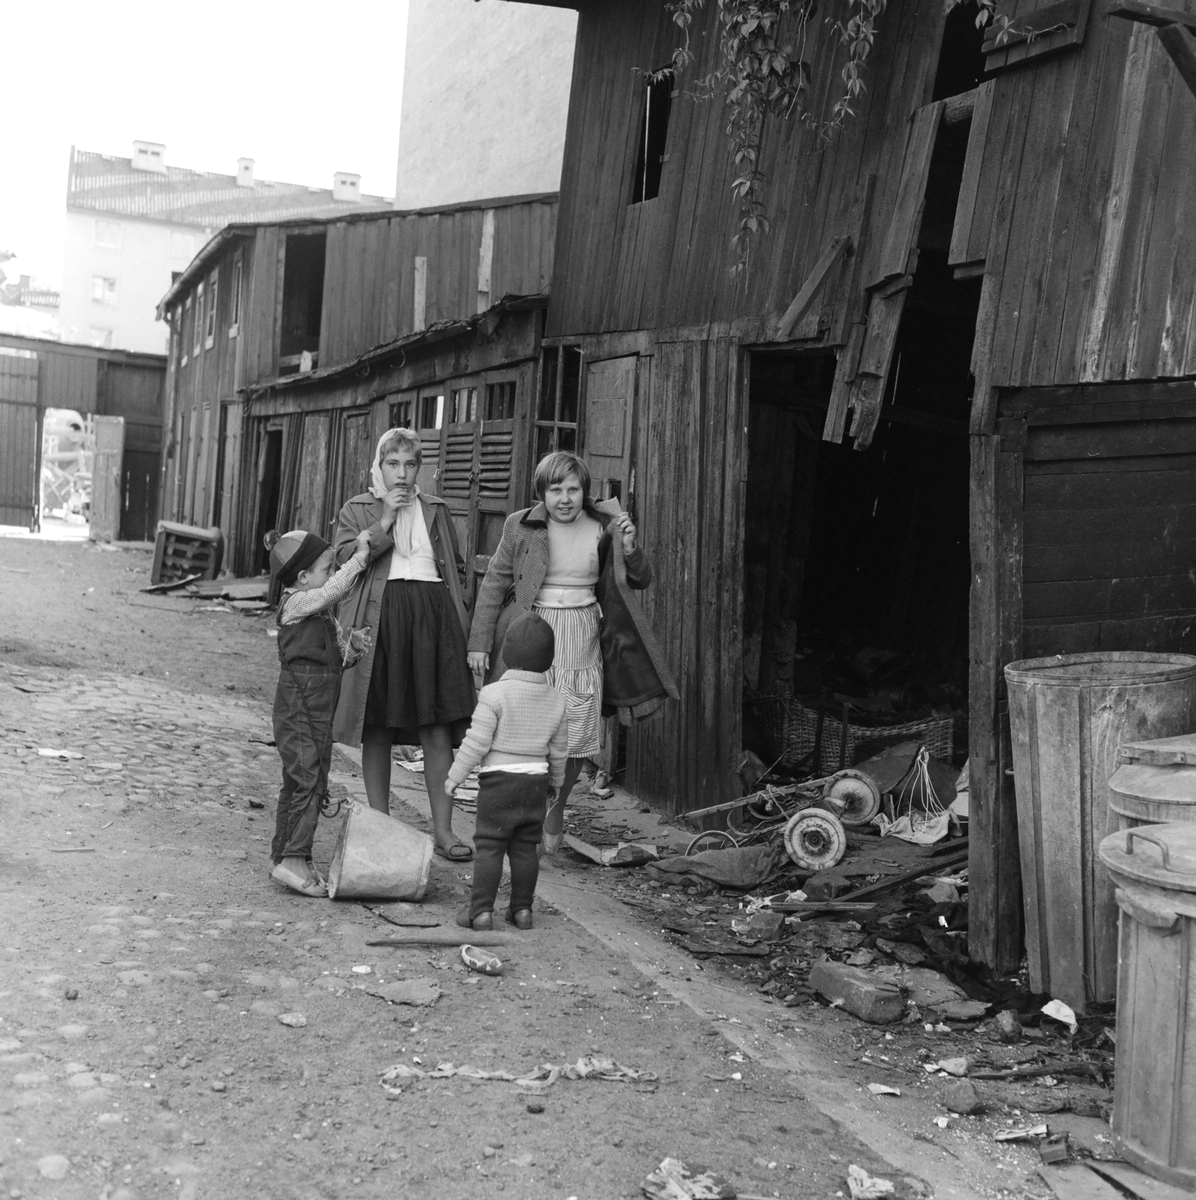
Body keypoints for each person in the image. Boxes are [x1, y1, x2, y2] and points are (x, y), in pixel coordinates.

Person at [468, 450, 675, 854]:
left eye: (573, 489)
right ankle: (517, 804)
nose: (565, 498)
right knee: (522, 720)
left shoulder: (605, 526)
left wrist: (630, 547)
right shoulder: (521, 526)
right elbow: (494, 583)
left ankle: (556, 805)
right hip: (532, 630)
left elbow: (642, 579)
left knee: (576, 728)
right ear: (541, 493)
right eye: (555, 489)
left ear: (585, 492)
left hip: (581, 632)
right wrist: (479, 642)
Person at [331, 428, 477, 862]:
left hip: (432, 617)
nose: (401, 474)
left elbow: (457, 568)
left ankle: (445, 830)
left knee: (436, 727)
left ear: (420, 469)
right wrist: (386, 521)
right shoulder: (357, 509)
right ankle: (379, 824)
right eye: (392, 464)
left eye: (410, 464)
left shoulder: (436, 508)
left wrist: (461, 620)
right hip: (381, 619)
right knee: (377, 725)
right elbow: (344, 563)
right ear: (379, 465)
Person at [267, 525, 372, 897]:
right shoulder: (296, 603)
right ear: (302, 577)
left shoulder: (323, 614)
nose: (332, 574)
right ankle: (294, 857)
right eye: (328, 568)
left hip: (317, 711)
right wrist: (359, 557)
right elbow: (334, 589)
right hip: (298, 710)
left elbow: (339, 658)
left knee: (303, 782)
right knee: (307, 782)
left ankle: (285, 855)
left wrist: (354, 646)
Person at [447, 612, 568, 931]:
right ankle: (522, 910)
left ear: (506, 654)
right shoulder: (557, 700)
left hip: (499, 783)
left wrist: (455, 776)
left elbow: (476, 742)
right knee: (526, 848)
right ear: (549, 660)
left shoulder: (493, 694)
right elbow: (559, 751)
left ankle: (481, 911)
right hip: (535, 783)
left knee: (490, 847)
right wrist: (555, 783)